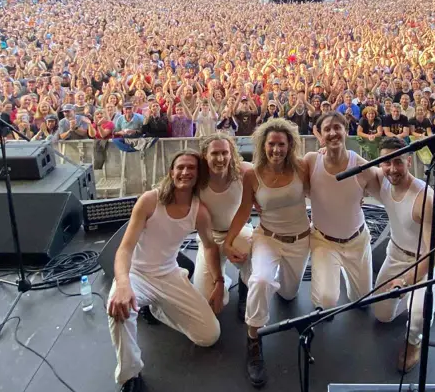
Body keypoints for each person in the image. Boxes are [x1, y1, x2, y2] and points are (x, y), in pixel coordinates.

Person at [107, 150, 224, 392]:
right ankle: (130, 375)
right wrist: (122, 284)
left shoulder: (198, 211)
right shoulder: (150, 200)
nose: (185, 172)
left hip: (169, 273)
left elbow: (211, 247)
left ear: (198, 175)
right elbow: (124, 249)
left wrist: (219, 282)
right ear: (171, 172)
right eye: (180, 167)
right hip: (137, 274)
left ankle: (156, 309)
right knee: (118, 310)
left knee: (209, 335)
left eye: (191, 168)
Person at [224, 118, 311, 388]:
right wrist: (228, 241)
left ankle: (264, 286)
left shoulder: (302, 168)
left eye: (281, 144)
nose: (276, 149)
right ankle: (253, 339)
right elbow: (243, 210)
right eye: (271, 144)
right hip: (267, 237)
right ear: (263, 144)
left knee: (288, 294)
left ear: (290, 145)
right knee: (260, 280)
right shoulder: (253, 174)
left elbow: (320, 193)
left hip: (299, 241)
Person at [370, 137, 435, 373]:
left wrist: (406, 281)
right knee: (382, 315)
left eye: (398, 161)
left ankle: (414, 341)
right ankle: (430, 295)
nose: (392, 169)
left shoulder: (425, 198)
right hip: (395, 254)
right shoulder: (382, 181)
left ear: (408, 160)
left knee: (417, 316)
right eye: (386, 162)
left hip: (426, 260)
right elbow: (351, 163)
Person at [304, 112, 379, 315]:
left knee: (363, 301)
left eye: (337, 128)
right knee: (326, 303)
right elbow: (292, 186)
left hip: (357, 241)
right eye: (327, 129)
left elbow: (388, 191)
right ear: (320, 135)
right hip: (323, 241)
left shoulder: (362, 166)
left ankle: (348, 277)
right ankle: (330, 279)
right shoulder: (311, 161)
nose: (333, 133)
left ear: (346, 131)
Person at [193, 133, 253, 320]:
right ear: (205, 156)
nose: (220, 159)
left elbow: (272, 172)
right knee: (207, 302)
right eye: (215, 154)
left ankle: (245, 289)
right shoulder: (197, 181)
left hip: (238, 233)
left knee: (255, 258)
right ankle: (222, 280)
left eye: (225, 153)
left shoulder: (243, 171)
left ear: (231, 153)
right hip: (208, 238)